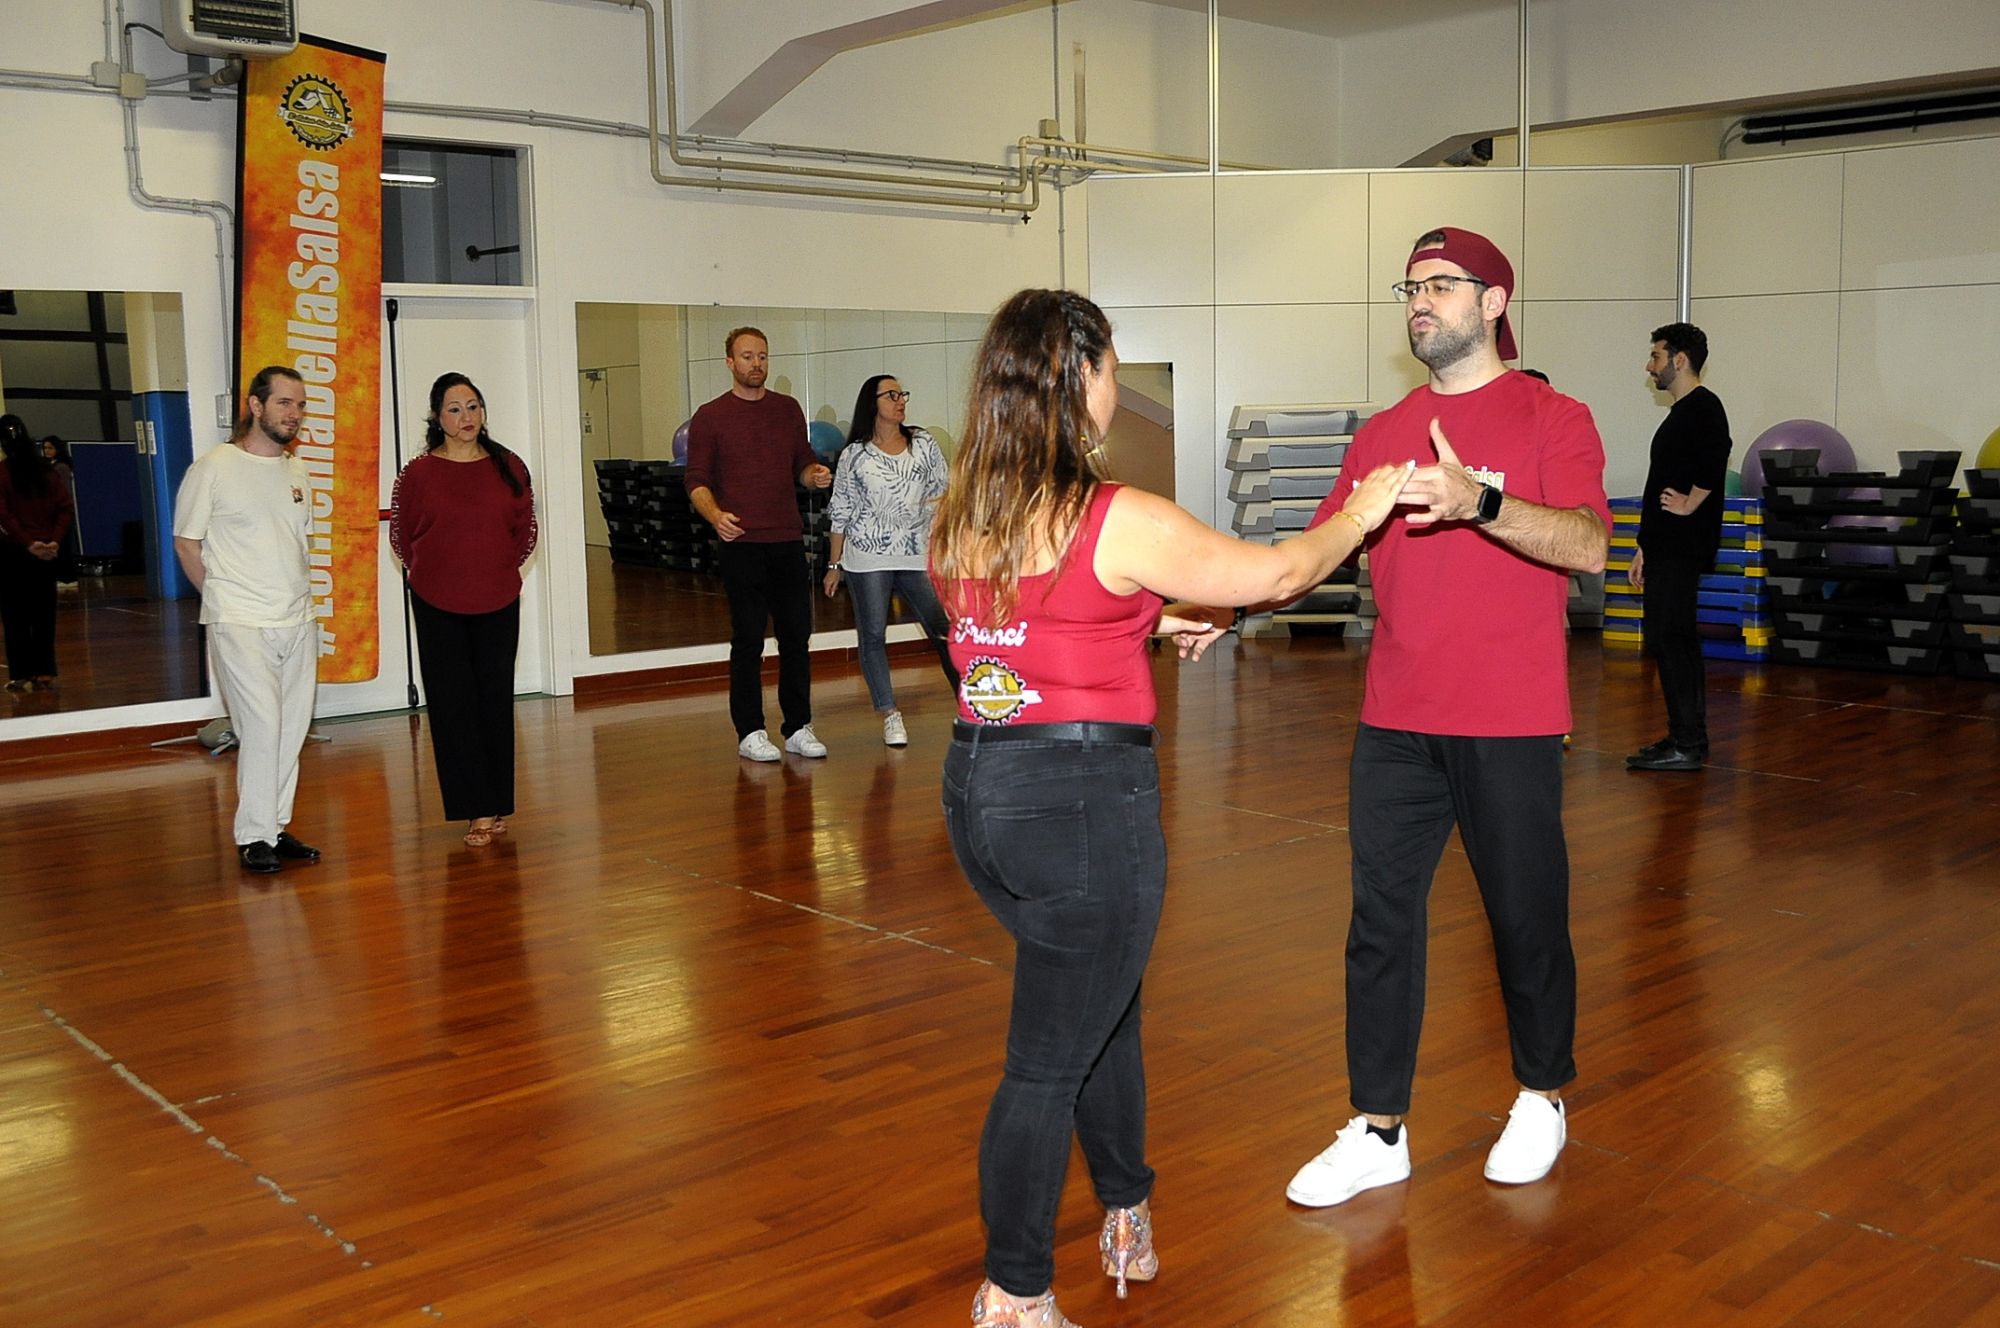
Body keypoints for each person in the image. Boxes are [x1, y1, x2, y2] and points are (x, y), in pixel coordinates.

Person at [933, 288, 1415, 1326]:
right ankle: (1013, 1293)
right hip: (1080, 807)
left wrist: (1152, 620)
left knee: (1101, 1007)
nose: (1116, 387)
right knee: (1044, 1063)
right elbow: (1278, 573)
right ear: (1080, 378)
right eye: (1112, 368)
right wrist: (1361, 513)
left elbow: (1033, 628)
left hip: (982, 790)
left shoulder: (967, 512)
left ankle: (1125, 1209)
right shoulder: (1119, 516)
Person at [1283, 228, 1611, 1210]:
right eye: (1410, 286)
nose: (1419, 300)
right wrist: (1225, 606)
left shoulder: (1554, 416)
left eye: (1439, 284)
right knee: (1379, 924)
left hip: (1509, 718)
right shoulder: (1384, 431)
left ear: (1493, 300)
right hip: (1395, 719)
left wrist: (1481, 501)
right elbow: (1321, 546)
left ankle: (1541, 1095)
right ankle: (1378, 1126)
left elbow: (1588, 545)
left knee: (1524, 917)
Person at [172, 366, 323, 875]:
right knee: (261, 726)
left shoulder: (297, 472)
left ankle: (274, 827)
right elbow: (186, 543)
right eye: (284, 403)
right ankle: (253, 834)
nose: (294, 414)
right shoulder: (213, 468)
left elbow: (295, 544)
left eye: (300, 405)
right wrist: (223, 599)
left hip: (298, 619)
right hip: (240, 620)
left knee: (291, 729)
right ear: (255, 406)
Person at [390, 373, 539, 845]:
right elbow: (401, 536)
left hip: (498, 598)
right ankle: (475, 810)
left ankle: (493, 804)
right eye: (454, 409)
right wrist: (433, 574)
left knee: (494, 701)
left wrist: (493, 570)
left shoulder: (509, 466)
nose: (466, 417)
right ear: (438, 418)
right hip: (436, 602)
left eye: (473, 406)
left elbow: (525, 530)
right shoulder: (417, 473)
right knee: (453, 706)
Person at [684, 327, 833, 762]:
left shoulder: (787, 410)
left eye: (762, 356)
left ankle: (797, 726)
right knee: (748, 639)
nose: (756, 364)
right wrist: (716, 516)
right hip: (741, 543)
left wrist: (814, 475)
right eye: (747, 356)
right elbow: (696, 479)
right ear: (730, 363)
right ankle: (749, 730)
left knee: (796, 637)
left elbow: (802, 464)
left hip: (786, 539)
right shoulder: (711, 416)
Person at [821, 373, 957, 746]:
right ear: (873, 403)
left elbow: (943, 494)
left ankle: (971, 705)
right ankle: (890, 713)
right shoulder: (855, 454)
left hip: (917, 553)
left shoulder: (923, 443)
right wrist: (834, 565)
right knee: (872, 635)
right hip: (867, 556)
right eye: (892, 395)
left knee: (943, 629)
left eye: (902, 394)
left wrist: (944, 546)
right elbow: (841, 509)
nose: (901, 401)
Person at [1626, 323, 1731, 772]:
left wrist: (1692, 502)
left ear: (1680, 360)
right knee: (1674, 640)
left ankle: (1686, 742)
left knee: (1671, 640)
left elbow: (1716, 455)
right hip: (1666, 545)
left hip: (1682, 547)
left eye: (1656, 356)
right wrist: (1645, 547)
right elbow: (1661, 484)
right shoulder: (1682, 412)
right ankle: (1686, 736)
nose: (1650, 366)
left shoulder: (1704, 407)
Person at [0, 431, 73, 691]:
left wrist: (28, 543)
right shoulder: (47, 472)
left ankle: (21, 674)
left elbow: (3, 514)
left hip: (13, 552)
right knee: (44, 613)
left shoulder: (3, 472)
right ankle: (45, 671)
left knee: (14, 615)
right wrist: (54, 541)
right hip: (47, 552)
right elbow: (65, 508)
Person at [38, 437, 79, 587]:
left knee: (63, 545)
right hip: (50, 511)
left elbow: (63, 490)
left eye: (50, 448)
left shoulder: (61, 467)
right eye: (45, 448)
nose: (47, 451)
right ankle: (59, 575)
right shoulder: (48, 466)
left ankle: (68, 577)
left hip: (60, 511)